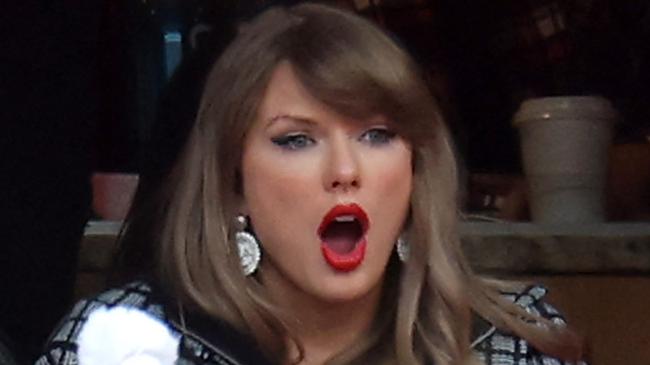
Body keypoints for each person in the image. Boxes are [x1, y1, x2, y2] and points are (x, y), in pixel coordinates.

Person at [36, 3, 585, 365]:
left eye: (376, 135)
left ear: (416, 171)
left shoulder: (515, 347)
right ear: (233, 184)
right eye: (296, 140)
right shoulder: (124, 344)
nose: (345, 170)